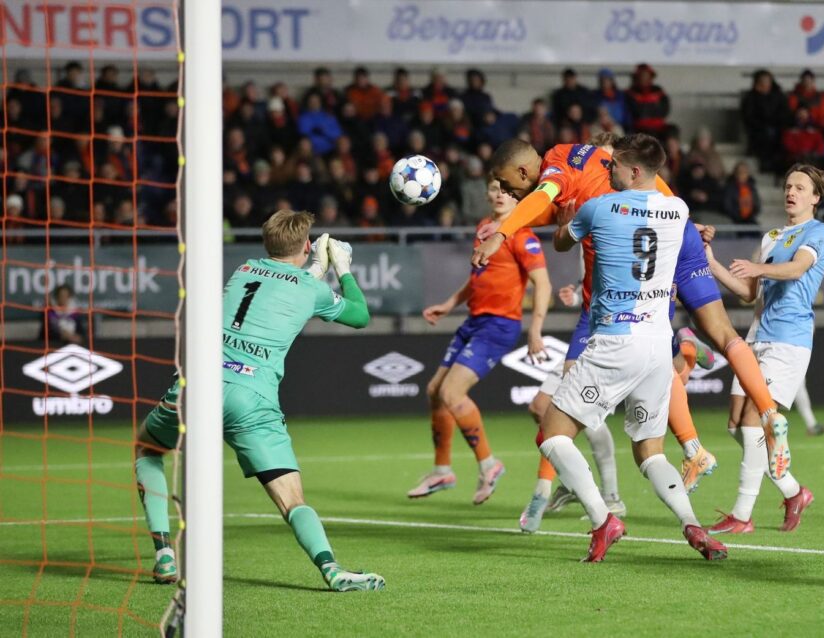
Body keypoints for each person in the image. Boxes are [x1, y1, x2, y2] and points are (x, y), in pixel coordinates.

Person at [475, 137, 793, 482]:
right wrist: (683, 217)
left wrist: (501, 235)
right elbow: (551, 211)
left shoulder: (561, 176)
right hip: (676, 229)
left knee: (652, 350)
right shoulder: (579, 161)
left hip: (641, 252)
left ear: (524, 171)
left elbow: (548, 208)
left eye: (505, 183)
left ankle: (686, 443)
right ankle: (768, 413)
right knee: (724, 335)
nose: (504, 191)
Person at [134, 211, 384, 591]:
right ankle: (331, 568)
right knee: (291, 499)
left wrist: (315, 268)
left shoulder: (244, 270)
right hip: (250, 398)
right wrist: (342, 268)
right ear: (306, 245)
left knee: (147, 449)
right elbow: (360, 315)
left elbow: (282, 288)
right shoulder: (310, 289)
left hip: (196, 386)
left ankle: (165, 553)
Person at [542, 133, 728, 562]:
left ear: (635, 170)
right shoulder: (678, 210)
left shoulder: (599, 207)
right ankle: (692, 524)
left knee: (552, 433)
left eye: (614, 165)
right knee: (650, 452)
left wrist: (565, 221)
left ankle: (602, 519)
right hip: (658, 347)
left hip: (614, 341)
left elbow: (563, 241)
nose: (607, 169)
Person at [704, 164, 824, 534]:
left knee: (753, 422)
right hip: (755, 339)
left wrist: (757, 268)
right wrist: (711, 262)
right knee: (737, 425)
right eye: (788, 185)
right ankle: (793, 491)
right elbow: (749, 292)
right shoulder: (772, 236)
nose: (790, 192)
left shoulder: (819, 232)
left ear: (815, 197)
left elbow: (796, 269)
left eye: (800, 187)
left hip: (788, 341)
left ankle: (742, 515)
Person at [407, 177, 551, 504]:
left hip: (499, 326)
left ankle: (489, 465)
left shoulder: (522, 236)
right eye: (495, 189)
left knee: (451, 392)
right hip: (474, 321)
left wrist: (535, 329)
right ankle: (442, 470)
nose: (500, 195)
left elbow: (543, 284)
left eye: (508, 191)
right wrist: (449, 304)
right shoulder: (485, 227)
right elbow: (478, 277)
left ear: (519, 199)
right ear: (486, 193)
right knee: (435, 391)